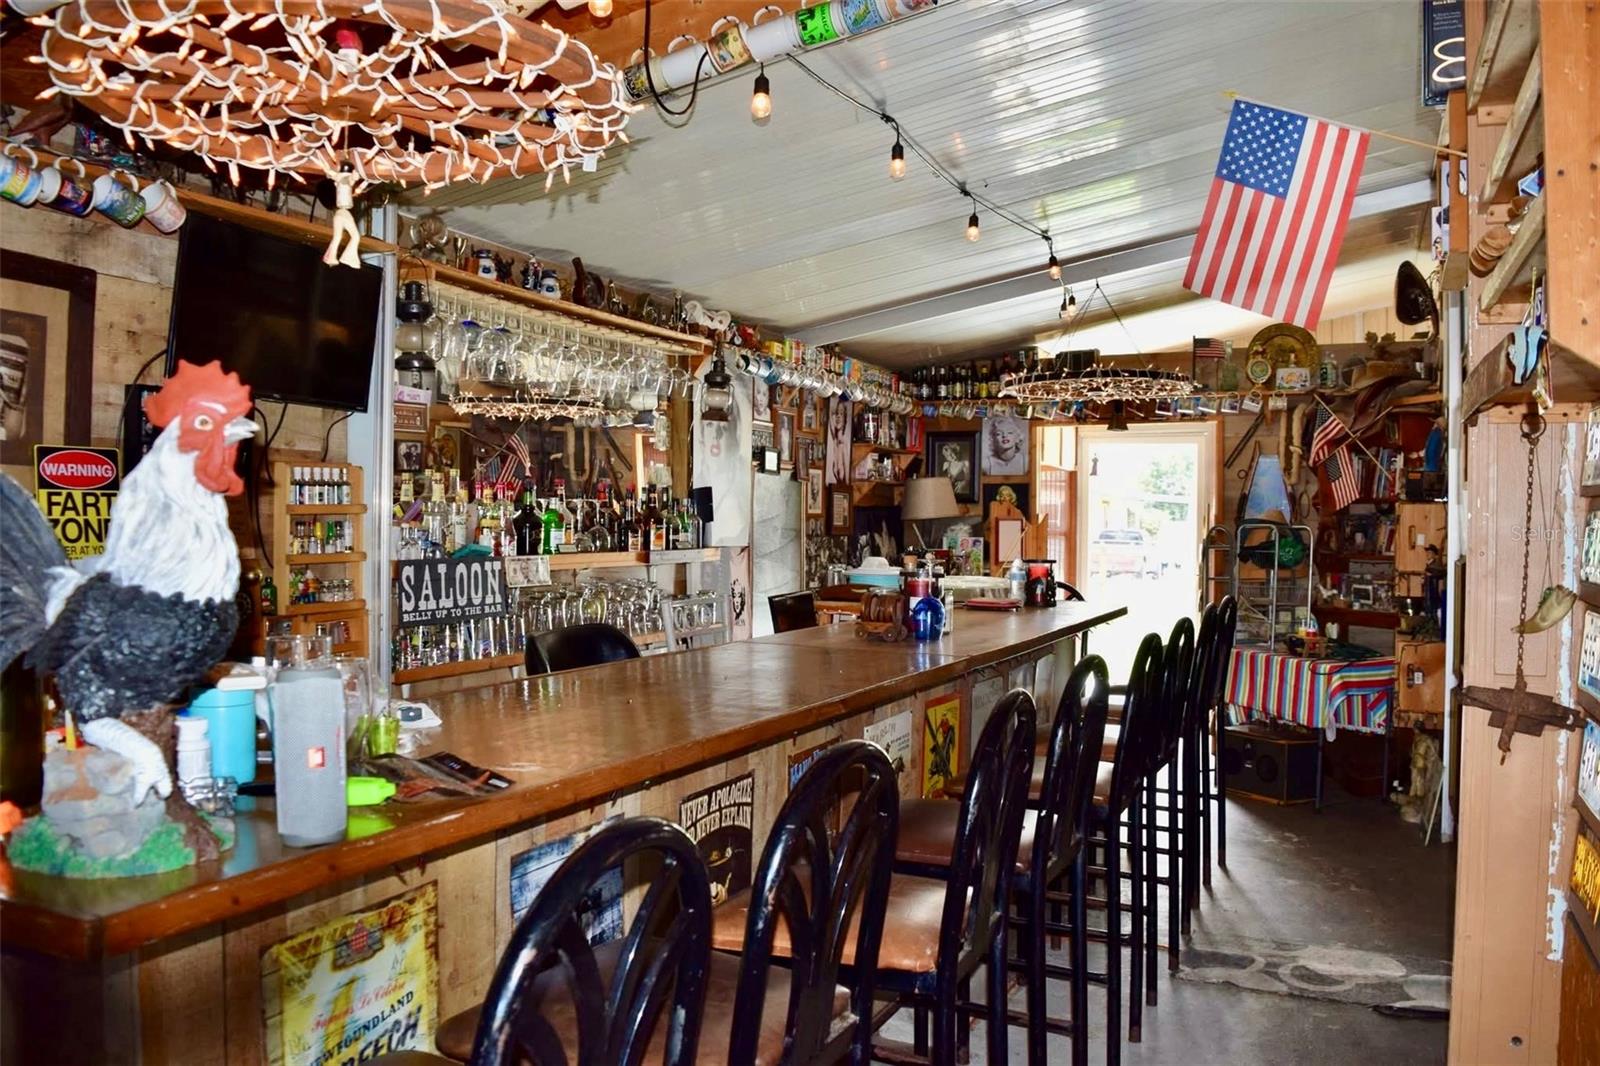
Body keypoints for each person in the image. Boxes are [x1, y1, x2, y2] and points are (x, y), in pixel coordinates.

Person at [826, 399, 851, 485]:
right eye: (837, 413)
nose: (838, 416)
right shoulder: (834, 440)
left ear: (845, 419)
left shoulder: (843, 445)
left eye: (841, 414)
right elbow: (830, 415)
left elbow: (847, 480)